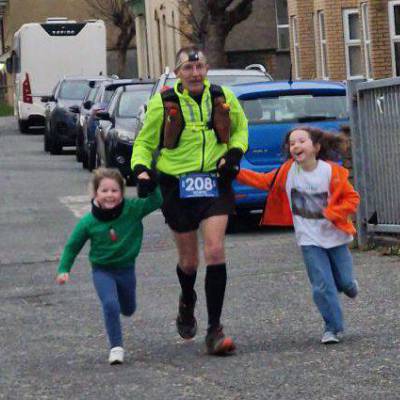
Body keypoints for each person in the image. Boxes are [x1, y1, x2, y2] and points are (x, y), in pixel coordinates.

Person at [130, 46, 248, 355]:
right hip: (176, 185)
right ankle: (187, 300)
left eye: (199, 67)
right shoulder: (163, 103)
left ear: (207, 69)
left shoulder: (224, 97)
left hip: (214, 181)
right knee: (189, 261)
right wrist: (141, 170)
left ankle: (215, 330)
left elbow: (240, 130)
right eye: (187, 68)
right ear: (178, 72)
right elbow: (143, 142)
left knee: (215, 249)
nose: (195, 74)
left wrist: (234, 155)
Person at [236, 126, 360, 344]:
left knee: (345, 282)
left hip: (336, 236)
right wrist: (236, 173)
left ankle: (349, 286)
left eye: (302, 141)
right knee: (322, 286)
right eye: (292, 143)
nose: (296, 146)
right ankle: (333, 327)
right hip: (309, 240)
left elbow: (352, 199)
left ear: (316, 147)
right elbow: (265, 181)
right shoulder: (287, 172)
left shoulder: (331, 172)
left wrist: (334, 212)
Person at [56, 168, 162, 364]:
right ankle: (116, 347)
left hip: (126, 269)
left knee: (128, 309)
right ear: (95, 193)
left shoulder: (132, 209)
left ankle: (122, 309)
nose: (109, 195)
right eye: (104, 191)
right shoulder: (88, 221)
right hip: (102, 270)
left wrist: (152, 183)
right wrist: (64, 269)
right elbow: (72, 247)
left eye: (114, 190)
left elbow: (156, 201)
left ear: (122, 192)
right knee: (110, 304)